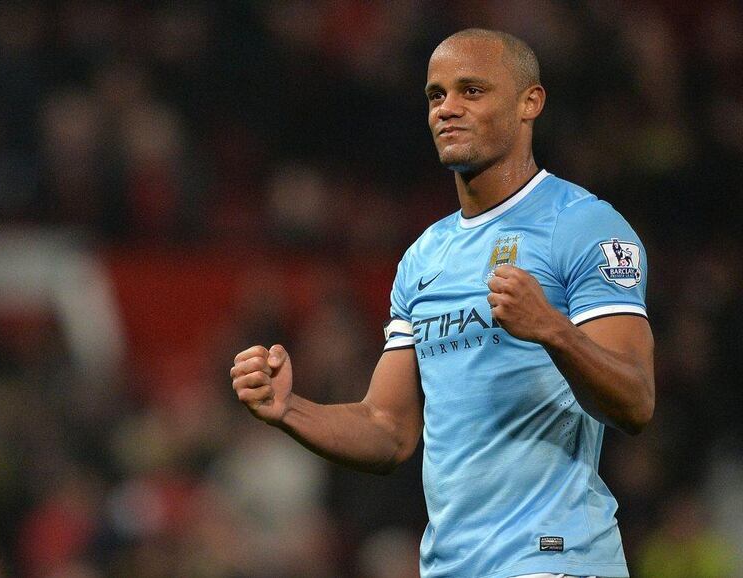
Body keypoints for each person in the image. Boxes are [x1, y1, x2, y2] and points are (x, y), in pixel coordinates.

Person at [231, 28, 654, 578]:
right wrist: (289, 410)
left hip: (555, 558)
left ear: (531, 102)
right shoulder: (424, 258)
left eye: (471, 91)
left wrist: (553, 330)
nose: (447, 109)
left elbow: (637, 402)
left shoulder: (583, 225)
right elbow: (388, 429)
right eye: (436, 95)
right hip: (450, 567)